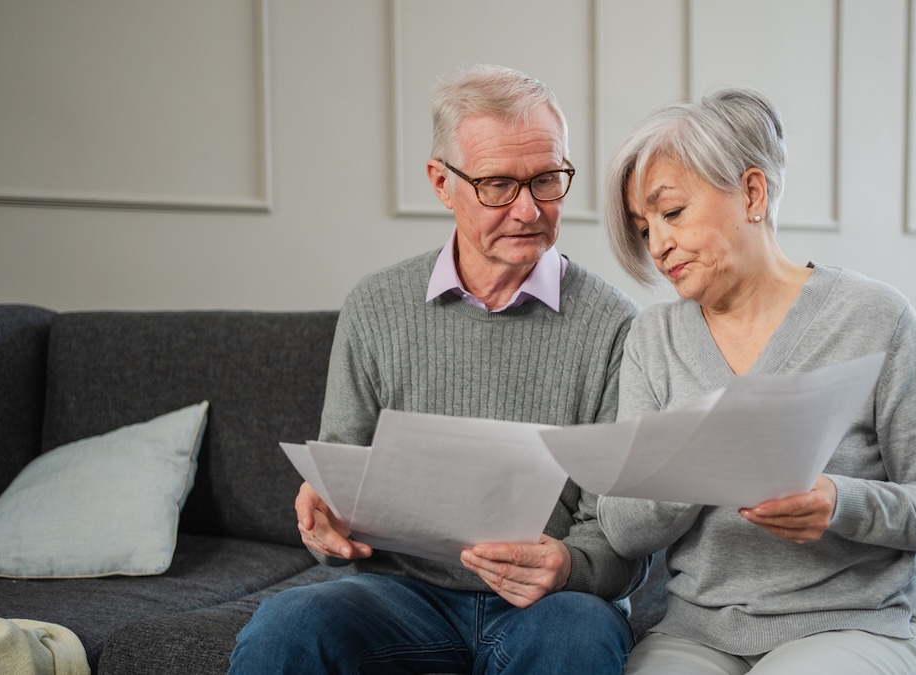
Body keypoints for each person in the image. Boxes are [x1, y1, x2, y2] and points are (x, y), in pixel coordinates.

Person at [229, 64, 643, 675]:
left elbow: (622, 536)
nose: (528, 210)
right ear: (441, 183)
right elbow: (341, 488)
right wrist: (327, 527)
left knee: (575, 642)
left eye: (548, 180)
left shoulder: (616, 326)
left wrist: (569, 566)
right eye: (498, 184)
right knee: (285, 628)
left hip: (550, 604)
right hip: (399, 595)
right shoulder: (375, 306)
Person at [596, 88, 916, 675]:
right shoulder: (654, 338)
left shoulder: (872, 316)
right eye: (642, 225)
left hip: (854, 621)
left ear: (752, 192)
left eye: (672, 212)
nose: (657, 245)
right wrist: (694, 461)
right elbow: (623, 529)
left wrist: (841, 503)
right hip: (697, 631)